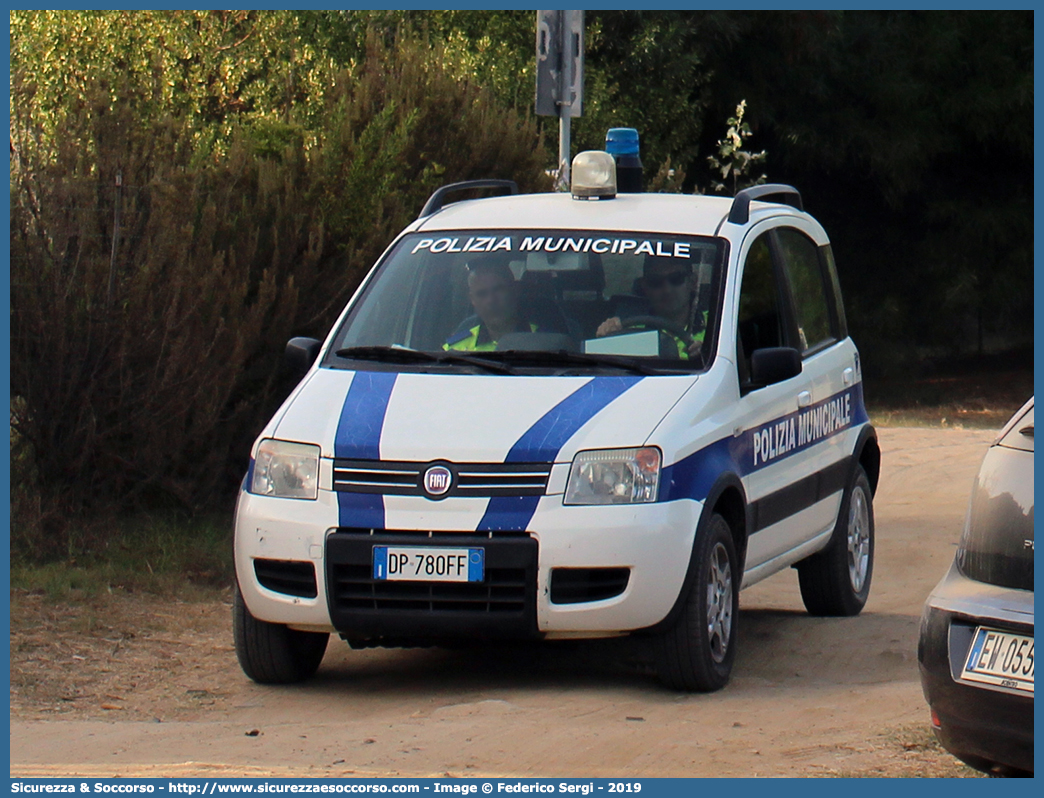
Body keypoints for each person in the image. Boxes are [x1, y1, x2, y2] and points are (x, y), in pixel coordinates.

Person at [596, 255, 705, 359]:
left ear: (692, 282)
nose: (667, 290)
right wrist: (605, 339)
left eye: (676, 278)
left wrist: (706, 356)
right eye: (655, 281)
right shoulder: (630, 331)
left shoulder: (716, 327)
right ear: (644, 287)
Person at [444, 258, 538, 351]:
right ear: (472, 299)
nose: (491, 300)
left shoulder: (541, 338)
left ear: (514, 290)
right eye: (482, 294)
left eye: (498, 290)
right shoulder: (456, 347)